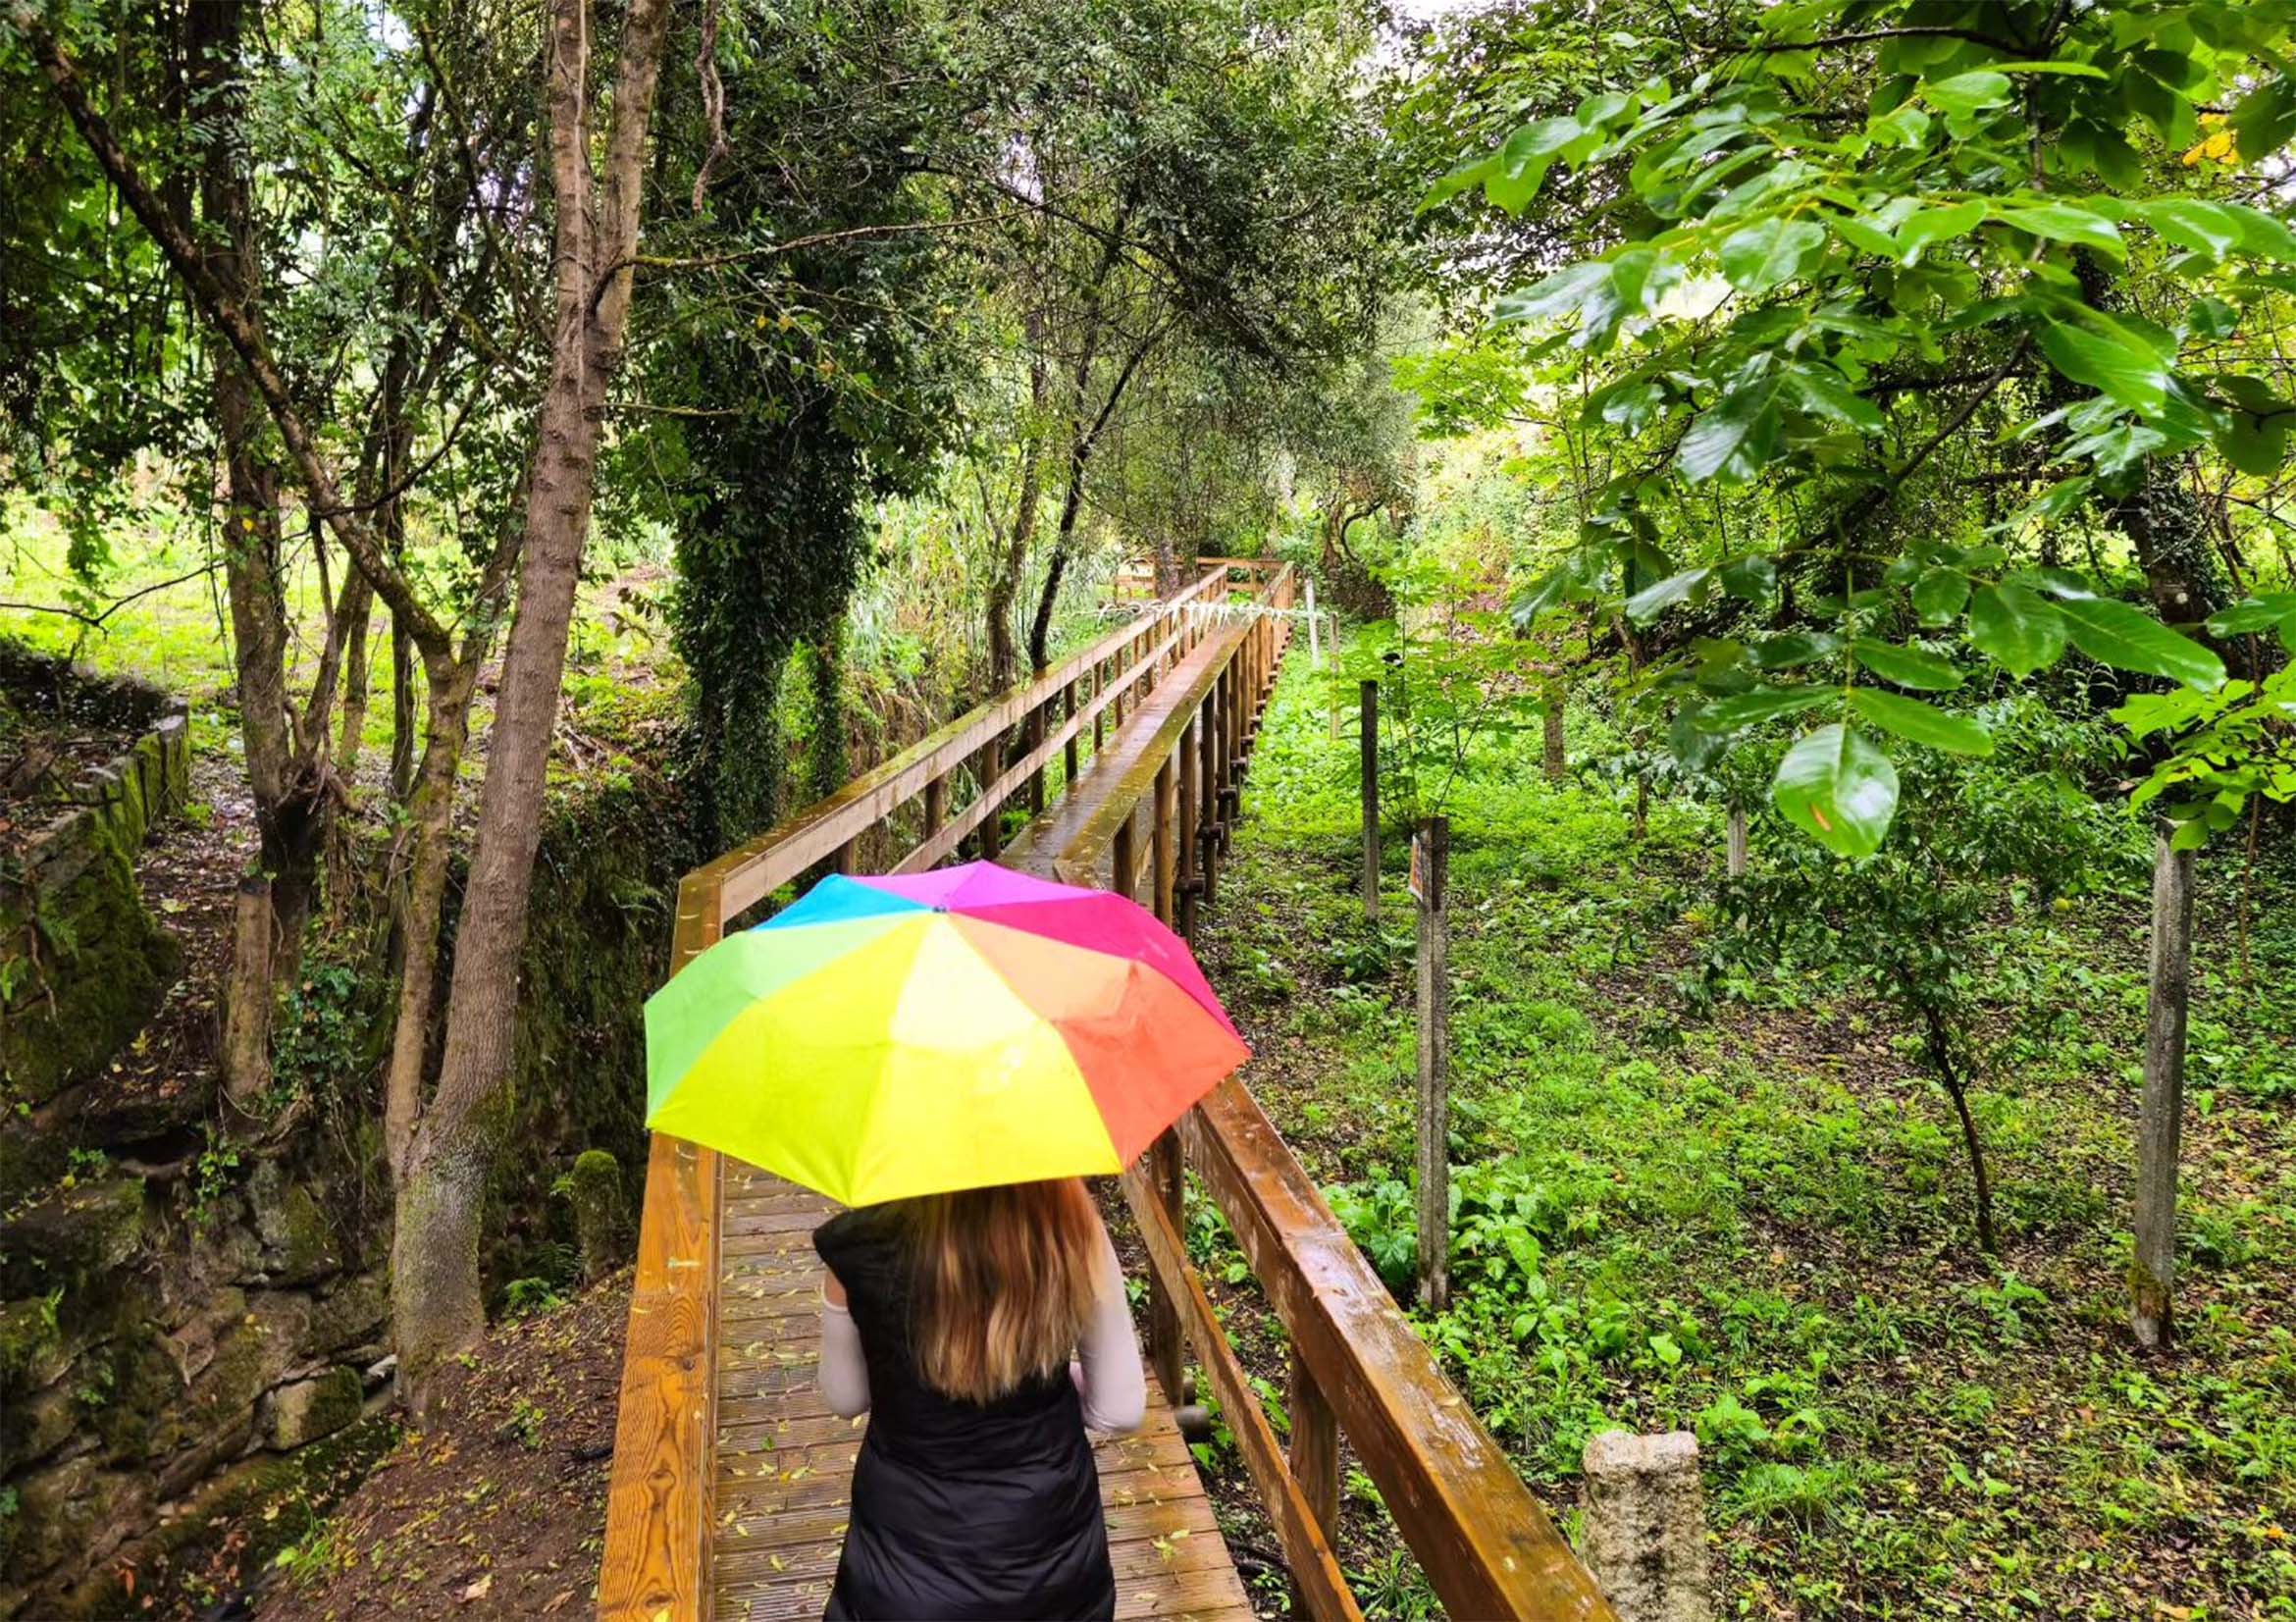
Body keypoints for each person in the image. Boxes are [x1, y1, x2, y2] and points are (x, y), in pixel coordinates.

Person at [813, 1177, 1148, 1622]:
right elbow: (1120, 1409)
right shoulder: (1071, 1227)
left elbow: (845, 1397)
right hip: (1050, 1565)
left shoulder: (858, 1243)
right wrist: (1044, 1386)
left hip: (905, 1573)